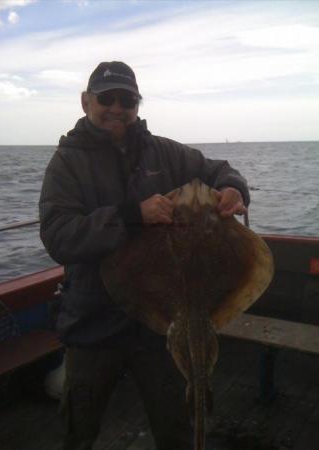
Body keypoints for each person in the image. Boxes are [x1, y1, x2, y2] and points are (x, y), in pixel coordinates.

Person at [39, 61, 250, 450]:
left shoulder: (165, 153)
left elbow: (219, 169)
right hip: (94, 321)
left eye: (128, 100)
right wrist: (131, 216)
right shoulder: (67, 163)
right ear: (86, 101)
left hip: (162, 322)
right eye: (107, 98)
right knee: (78, 429)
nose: (117, 107)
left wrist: (234, 187)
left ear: (138, 105)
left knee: (175, 428)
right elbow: (58, 236)